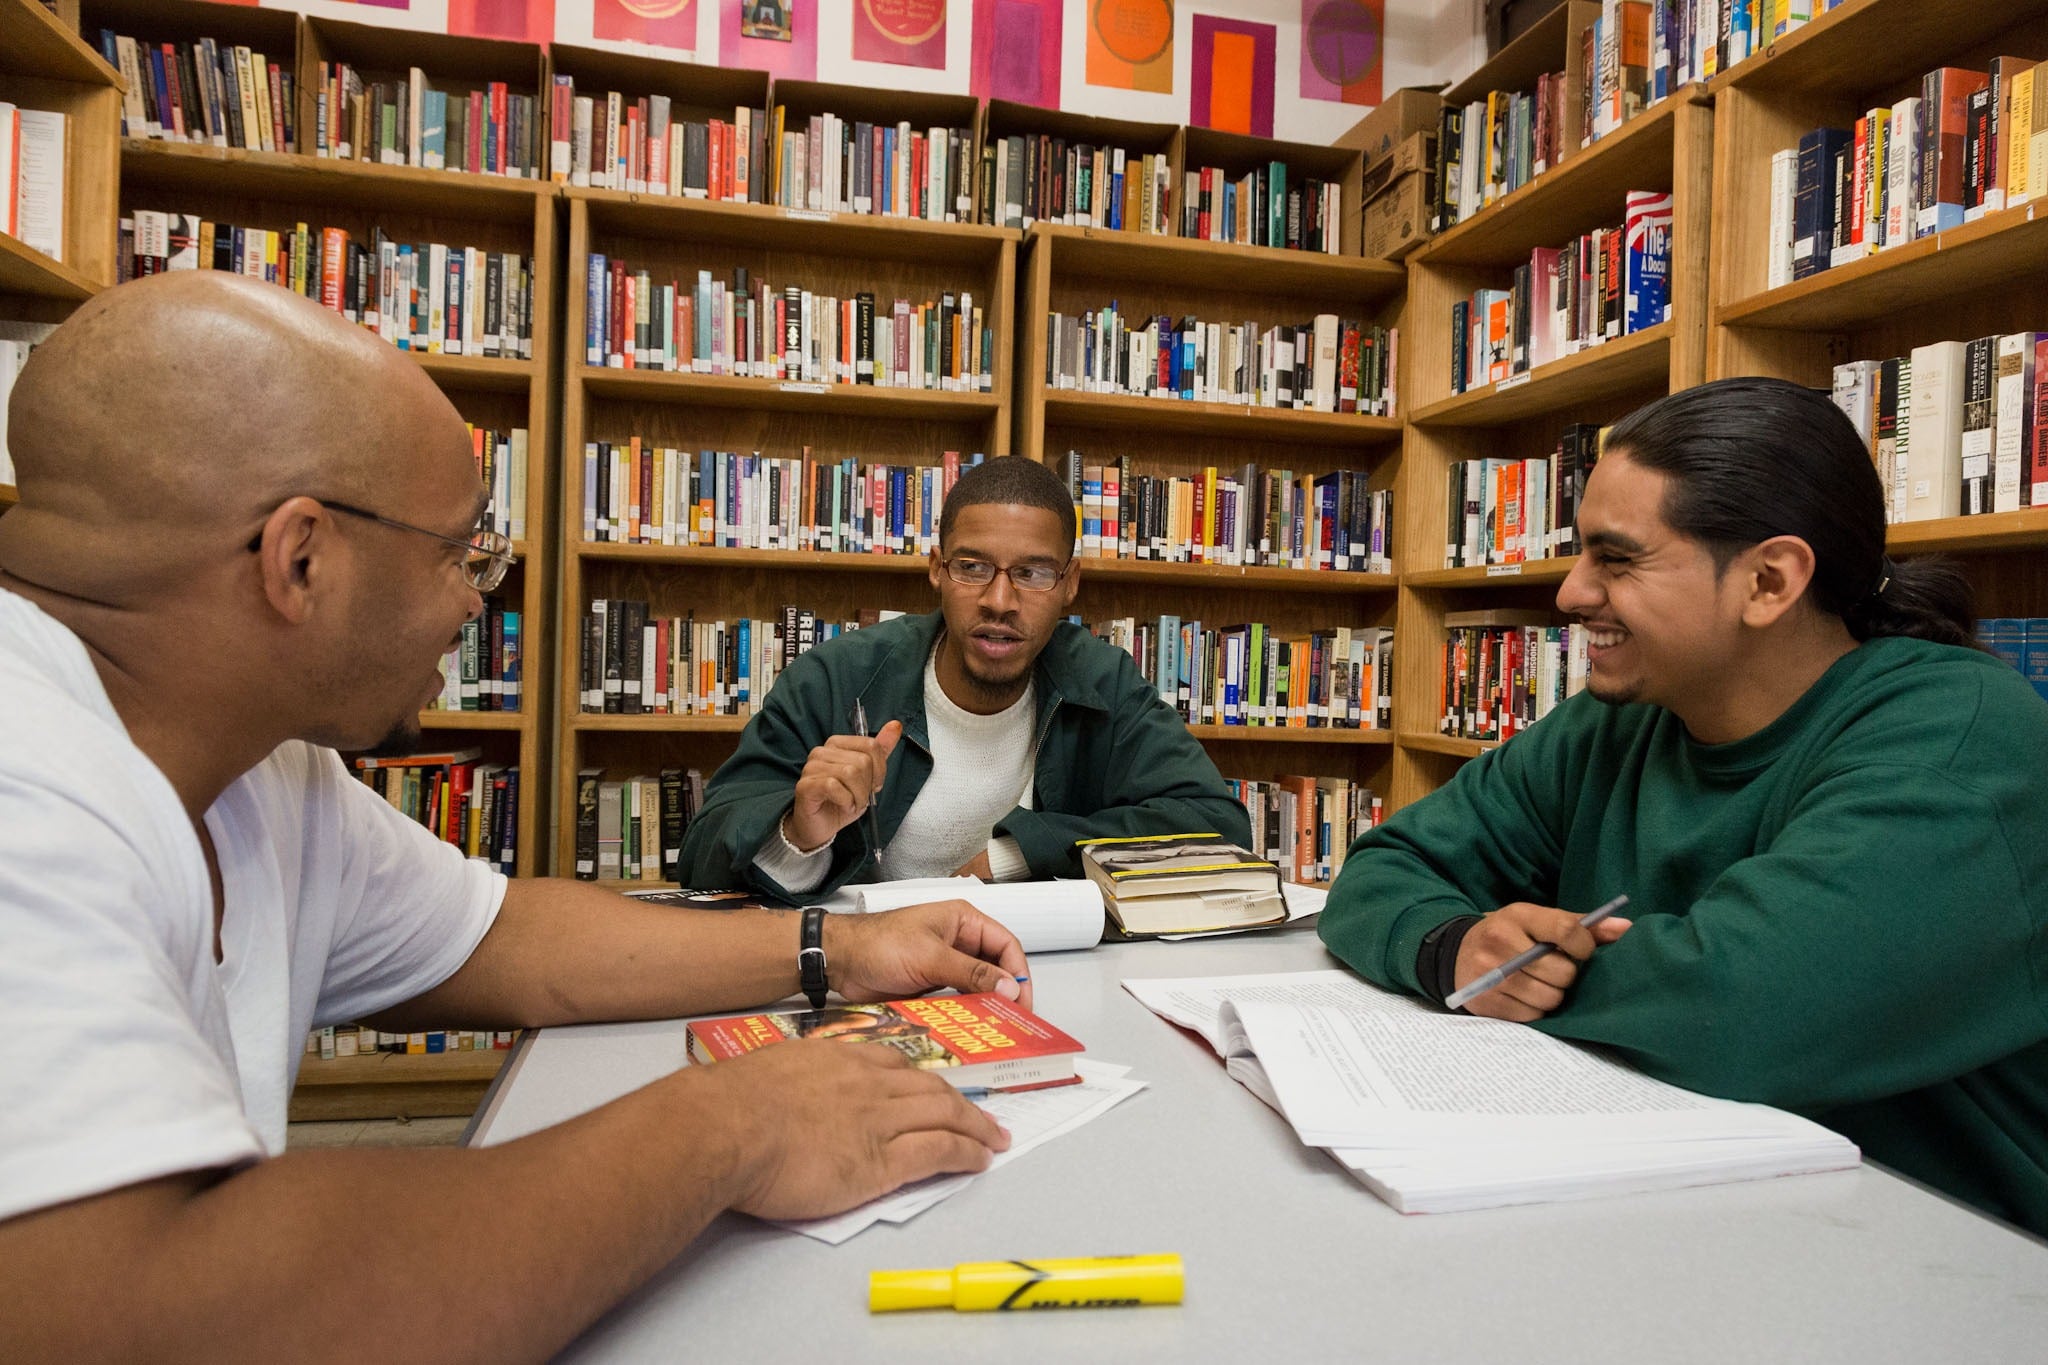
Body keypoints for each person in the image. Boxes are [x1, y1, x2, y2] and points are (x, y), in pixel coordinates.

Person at [0, 272, 1035, 1360]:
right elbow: (163, 1321)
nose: (475, 598)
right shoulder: (28, 787)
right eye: (460, 552)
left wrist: (841, 946)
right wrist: (740, 1123)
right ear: (299, 560)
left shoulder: (271, 771)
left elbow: (505, 939)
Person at [1318, 376, 2048, 1236]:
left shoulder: (1964, 741)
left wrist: (1521, 979)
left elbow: (1746, 1007)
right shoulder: (1617, 722)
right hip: (1709, 1206)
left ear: (1769, 581)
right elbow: (1382, 870)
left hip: (1955, 1254)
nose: (1570, 593)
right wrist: (1453, 948)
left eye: (1616, 559)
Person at [678, 455, 1254, 900]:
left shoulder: (1104, 682)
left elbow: (1218, 829)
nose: (999, 601)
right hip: (865, 978)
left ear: (1070, 583)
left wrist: (1013, 856)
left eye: (1032, 573)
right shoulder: (835, 677)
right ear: (937, 569)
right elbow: (700, 858)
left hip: (1039, 976)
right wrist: (798, 834)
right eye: (973, 567)